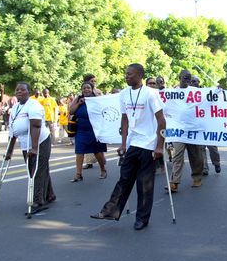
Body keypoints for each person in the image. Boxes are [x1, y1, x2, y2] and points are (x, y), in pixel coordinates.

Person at [90, 63, 166, 230]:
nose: (126, 76)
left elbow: (162, 121)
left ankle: (142, 219)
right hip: (133, 143)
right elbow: (124, 119)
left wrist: (159, 146)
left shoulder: (151, 94)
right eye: (126, 74)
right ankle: (110, 211)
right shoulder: (123, 94)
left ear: (139, 75)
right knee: (124, 179)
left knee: (144, 184)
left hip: (148, 144)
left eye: (130, 74)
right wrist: (123, 143)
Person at [5, 82, 56, 214]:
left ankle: (38, 200)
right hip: (25, 143)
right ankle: (50, 194)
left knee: (37, 170)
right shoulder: (15, 108)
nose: (19, 92)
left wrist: (34, 148)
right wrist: (9, 151)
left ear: (29, 92)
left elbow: (36, 126)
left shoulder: (34, 106)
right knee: (35, 168)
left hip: (40, 141)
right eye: (17, 90)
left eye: (22, 90)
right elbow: (13, 131)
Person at [168, 69, 204, 192]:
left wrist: (217, 91)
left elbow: (209, 99)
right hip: (179, 131)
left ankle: (197, 177)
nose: (188, 80)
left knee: (196, 156)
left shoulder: (196, 92)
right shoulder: (172, 92)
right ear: (179, 77)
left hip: (193, 129)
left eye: (189, 78)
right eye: (185, 77)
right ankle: (174, 182)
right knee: (177, 156)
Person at [68, 82, 108, 182]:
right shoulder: (78, 99)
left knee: (97, 151)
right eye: (84, 88)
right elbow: (71, 111)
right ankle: (78, 174)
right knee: (79, 152)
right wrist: (79, 103)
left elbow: (104, 112)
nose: (86, 90)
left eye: (88, 88)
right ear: (81, 90)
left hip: (94, 130)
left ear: (92, 89)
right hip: (81, 130)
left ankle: (103, 170)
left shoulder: (96, 100)